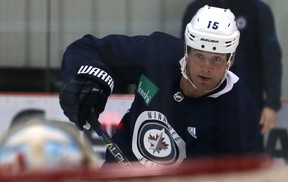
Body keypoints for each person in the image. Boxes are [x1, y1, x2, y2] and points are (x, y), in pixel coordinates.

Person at [59, 5, 264, 168]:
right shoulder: (159, 54)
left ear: (231, 59)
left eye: (217, 59)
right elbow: (89, 49)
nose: (206, 68)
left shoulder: (238, 112)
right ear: (187, 50)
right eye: (199, 56)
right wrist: (86, 81)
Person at [181, 0, 282, 138]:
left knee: (245, 155)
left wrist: (271, 104)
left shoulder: (257, 10)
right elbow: (184, 57)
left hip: (245, 104)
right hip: (201, 104)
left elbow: (271, 60)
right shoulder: (196, 9)